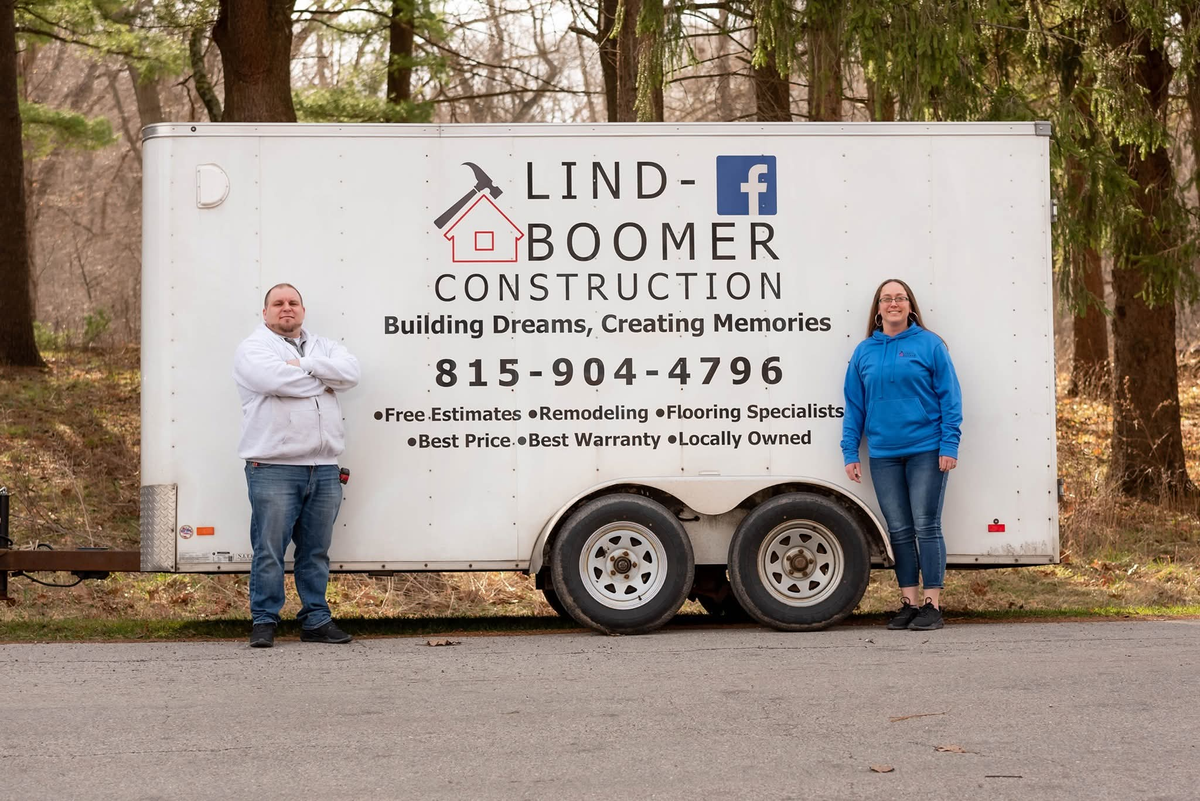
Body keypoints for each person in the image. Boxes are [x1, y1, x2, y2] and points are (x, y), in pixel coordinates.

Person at [233, 283, 361, 647]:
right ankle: (264, 621)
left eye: (293, 303)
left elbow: (350, 375)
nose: (285, 308)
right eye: (278, 303)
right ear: (265, 312)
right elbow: (272, 379)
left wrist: (304, 365)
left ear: (302, 311)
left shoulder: (325, 346)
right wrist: (324, 381)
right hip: (273, 466)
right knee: (269, 549)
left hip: (323, 467)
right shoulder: (253, 348)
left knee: (316, 551)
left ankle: (316, 620)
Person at [841, 279, 962, 631]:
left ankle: (932, 605)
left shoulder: (930, 345)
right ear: (878, 309)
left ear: (910, 306)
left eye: (900, 298)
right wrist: (850, 451)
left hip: (927, 449)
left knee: (926, 526)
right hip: (883, 454)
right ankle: (908, 602)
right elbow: (854, 406)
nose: (894, 303)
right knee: (899, 530)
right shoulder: (864, 352)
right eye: (887, 299)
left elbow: (950, 398)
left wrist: (949, 445)